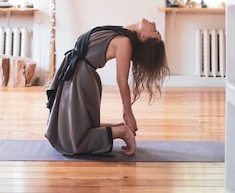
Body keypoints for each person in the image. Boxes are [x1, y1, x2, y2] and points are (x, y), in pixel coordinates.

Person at [45, 19, 169, 156]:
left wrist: (127, 113)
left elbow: (122, 80)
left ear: (143, 37)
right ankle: (121, 128)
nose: (153, 24)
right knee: (67, 131)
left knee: (73, 142)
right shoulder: (121, 33)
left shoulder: (124, 42)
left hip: (81, 78)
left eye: (155, 31)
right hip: (76, 73)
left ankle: (122, 132)